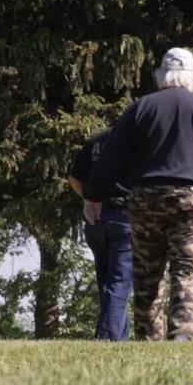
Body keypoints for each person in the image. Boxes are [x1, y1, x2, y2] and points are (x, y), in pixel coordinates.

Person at [85, 47, 193, 341]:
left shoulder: (142, 107)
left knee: (147, 273)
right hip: (192, 201)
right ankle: (181, 337)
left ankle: (149, 339)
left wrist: (94, 195)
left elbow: (112, 155)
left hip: (145, 198)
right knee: (188, 271)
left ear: (161, 75)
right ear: (191, 76)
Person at [68, 128, 133, 341]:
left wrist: (88, 199)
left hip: (95, 220)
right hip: (124, 218)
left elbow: (74, 179)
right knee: (120, 282)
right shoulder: (135, 140)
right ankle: (107, 338)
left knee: (107, 282)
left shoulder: (96, 141)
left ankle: (119, 337)